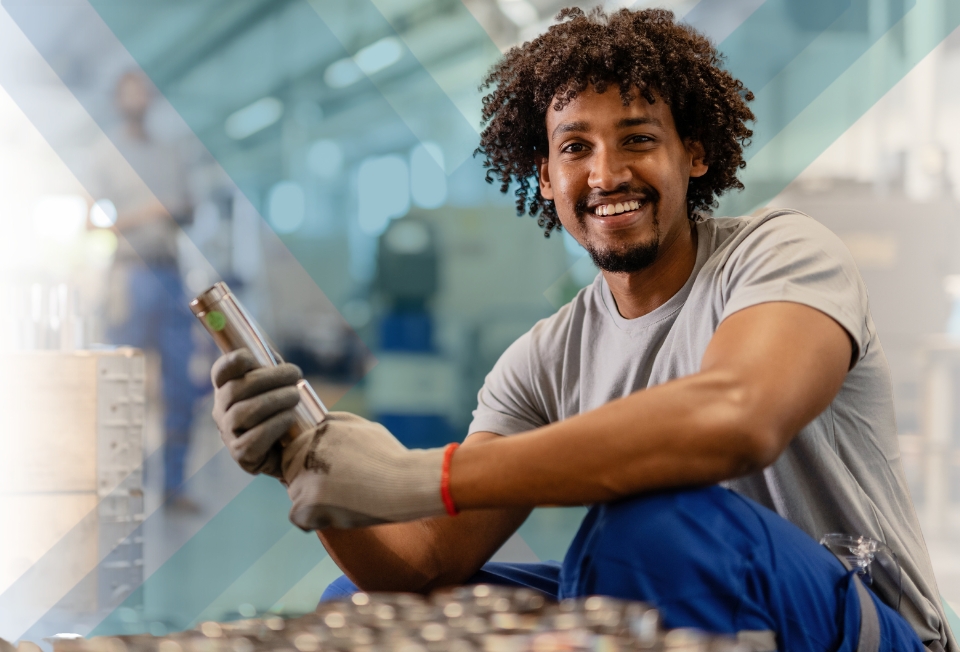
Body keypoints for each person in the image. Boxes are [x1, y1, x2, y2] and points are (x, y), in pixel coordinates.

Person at [209, 8, 955, 651]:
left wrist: (421, 476)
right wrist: (312, 467)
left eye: (637, 139)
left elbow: (737, 417)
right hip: (711, 609)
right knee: (367, 610)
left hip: (864, 627)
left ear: (693, 153)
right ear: (544, 175)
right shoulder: (545, 357)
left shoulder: (780, 254)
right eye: (575, 147)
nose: (606, 174)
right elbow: (425, 562)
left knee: (650, 527)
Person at [93, 71, 201, 509]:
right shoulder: (104, 154)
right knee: (124, 385)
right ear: (119, 98)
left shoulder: (171, 154)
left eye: (144, 88)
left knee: (180, 384)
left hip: (171, 275)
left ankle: (174, 485)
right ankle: (124, 486)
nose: (138, 96)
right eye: (129, 88)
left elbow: (190, 208)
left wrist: (177, 209)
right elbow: (92, 219)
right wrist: (148, 212)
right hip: (129, 276)